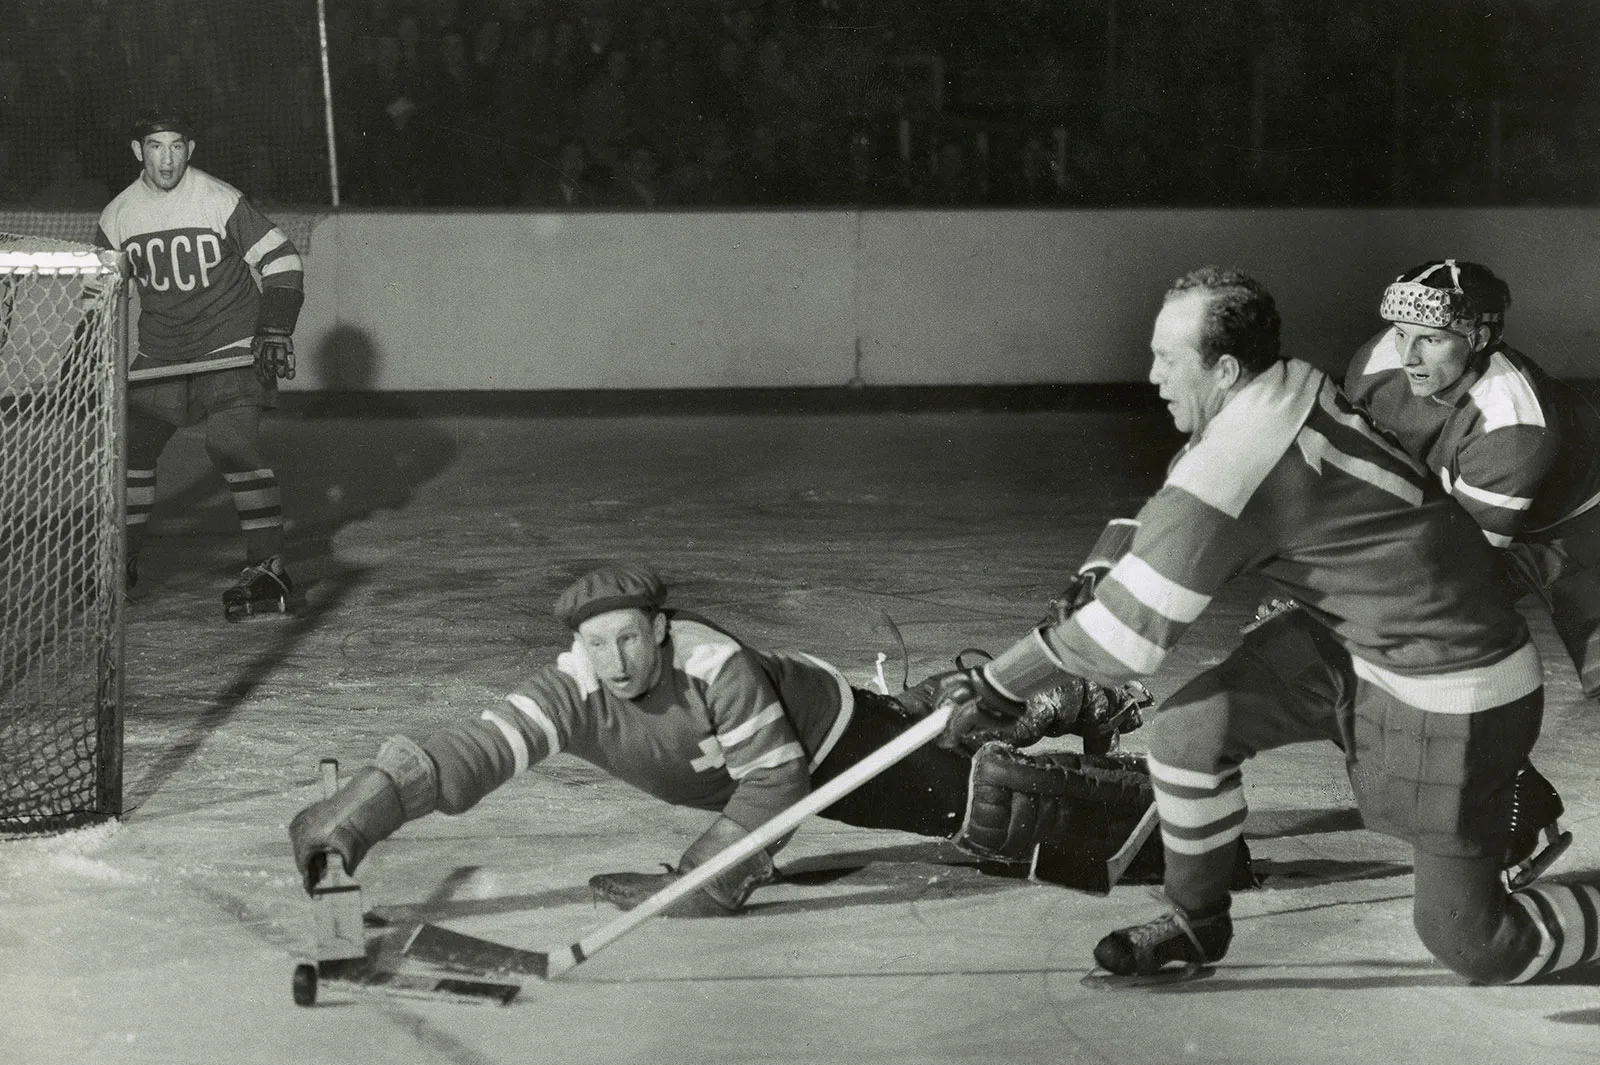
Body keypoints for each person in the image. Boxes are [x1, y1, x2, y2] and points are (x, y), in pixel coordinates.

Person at [921, 266, 1600, 985]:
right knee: (1187, 733)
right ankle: (1195, 919)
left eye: (1166, 359)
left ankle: (1507, 808)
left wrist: (999, 687)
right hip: (1356, 631)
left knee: (1473, 942)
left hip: (1456, 663)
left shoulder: (1509, 426)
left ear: (1225, 367)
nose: (1150, 376)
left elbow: (1126, 643)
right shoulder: (1291, 381)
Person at [289, 564, 1169, 918]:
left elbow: (777, 785)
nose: (618, 658)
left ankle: (1088, 713)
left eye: (632, 637)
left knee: (996, 807)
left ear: (661, 627)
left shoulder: (717, 666)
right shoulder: (574, 689)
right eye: (599, 644)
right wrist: (368, 806)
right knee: (962, 751)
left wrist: (703, 882)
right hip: (802, 748)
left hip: (835, 746)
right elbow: (474, 752)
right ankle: (1045, 705)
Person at [1344, 259, 1600, 700]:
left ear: (1478, 339)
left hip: (1575, 524)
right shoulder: (1377, 360)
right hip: (1479, 493)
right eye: (1401, 333)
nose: (1408, 357)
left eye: (1432, 339)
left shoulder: (1512, 424)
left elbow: (1460, 569)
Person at [94, 110, 303, 620]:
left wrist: (273, 327)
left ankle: (267, 565)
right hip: (163, 353)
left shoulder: (218, 199)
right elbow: (99, 295)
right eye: (155, 146)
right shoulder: (117, 215)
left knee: (230, 443)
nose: (167, 158)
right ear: (137, 151)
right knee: (131, 449)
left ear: (190, 148)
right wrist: (87, 356)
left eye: (176, 146)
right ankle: (119, 563)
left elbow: (283, 261)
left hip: (229, 346)